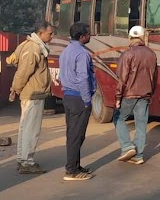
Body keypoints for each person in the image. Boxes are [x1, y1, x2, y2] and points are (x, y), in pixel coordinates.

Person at [9, 21, 53, 174]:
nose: (52, 36)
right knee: (31, 129)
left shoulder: (28, 44)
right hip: (33, 95)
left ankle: (23, 160)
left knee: (25, 128)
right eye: (49, 33)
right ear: (40, 33)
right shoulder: (34, 47)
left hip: (31, 94)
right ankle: (27, 162)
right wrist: (15, 89)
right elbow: (23, 72)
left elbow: (12, 59)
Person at [113, 26, 158, 165]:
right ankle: (138, 155)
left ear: (130, 38)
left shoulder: (127, 54)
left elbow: (122, 78)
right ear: (143, 37)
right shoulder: (151, 54)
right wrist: (150, 93)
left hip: (129, 94)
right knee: (141, 125)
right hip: (145, 94)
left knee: (118, 118)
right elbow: (155, 77)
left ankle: (127, 146)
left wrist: (118, 97)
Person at [59, 22, 95, 181]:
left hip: (68, 95)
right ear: (82, 37)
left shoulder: (66, 51)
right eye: (88, 34)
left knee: (73, 134)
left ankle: (75, 165)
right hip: (78, 98)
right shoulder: (82, 54)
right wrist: (87, 100)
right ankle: (71, 170)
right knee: (76, 135)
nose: (90, 36)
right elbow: (83, 78)